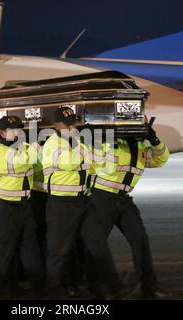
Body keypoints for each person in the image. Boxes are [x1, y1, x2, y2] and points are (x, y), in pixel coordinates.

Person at [42, 106, 124, 298]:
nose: (73, 127)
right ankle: (55, 291)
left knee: (99, 246)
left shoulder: (80, 142)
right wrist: (86, 149)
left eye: (74, 123)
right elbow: (69, 162)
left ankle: (113, 288)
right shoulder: (52, 143)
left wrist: (102, 148)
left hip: (83, 201)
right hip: (61, 203)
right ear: (57, 126)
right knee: (59, 252)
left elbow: (103, 166)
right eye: (68, 124)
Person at [89, 121, 169, 299]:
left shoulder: (140, 145)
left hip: (123, 200)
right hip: (101, 198)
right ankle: (95, 287)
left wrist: (154, 140)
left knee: (140, 239)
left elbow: (161, 159)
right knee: (97, 245)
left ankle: (149, 288)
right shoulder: (108, 141)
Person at [0, 116, 44, 297]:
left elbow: (35, 167)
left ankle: (38, 287)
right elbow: (20, 164)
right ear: (2, 132)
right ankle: (2, 290)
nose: (19, 132)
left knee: (29, 247)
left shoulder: (21, 147)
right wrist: (36, 147)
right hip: (7, 207)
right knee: (5, 251)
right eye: (15, 129)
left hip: (24, 205)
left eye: (20, 128)